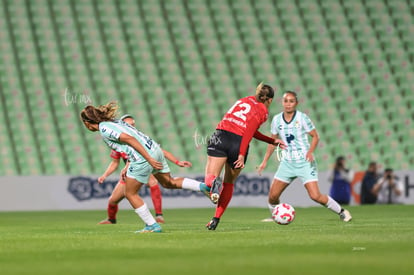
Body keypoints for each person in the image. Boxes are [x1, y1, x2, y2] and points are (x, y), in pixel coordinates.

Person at [80, 102, 211, 233]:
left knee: (130, 193)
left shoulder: (104, 128)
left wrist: (148, 158)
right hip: (155, 148)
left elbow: (129, 139)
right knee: (168, 182)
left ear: (86, 122)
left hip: (143, 157)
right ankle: (203, 187)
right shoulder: (114, 122)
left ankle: (152, 225)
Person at [257, 91, 352, 223]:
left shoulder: (302, 118)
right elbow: (273, 142)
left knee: (315, 196)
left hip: (305, 162)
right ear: (282, 102)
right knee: (273, 196)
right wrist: (264, 161)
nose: (288, 104)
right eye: (286, 101)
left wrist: (310, 151)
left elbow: (315, 136)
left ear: (296, 103)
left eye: (291, 101)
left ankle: (342, 212)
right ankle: (276, 216)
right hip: (287, 163)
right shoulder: (277, 119)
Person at [203, 83, 286, 230]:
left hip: (221, 135)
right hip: (238, 142)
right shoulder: (263, 110)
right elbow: (248, 131)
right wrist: (241, 154)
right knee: (228, 183)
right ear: (270, 100)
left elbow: (250, 130)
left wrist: (272, 140)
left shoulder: (243, 100)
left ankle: (214, 184)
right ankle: (216, 218)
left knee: (210, 179)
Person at [97, 114, 192, 225]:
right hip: (129, 173)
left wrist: (176, 162)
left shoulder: (139, 139)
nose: (132, 126)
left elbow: (159, 151)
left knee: (152, 182)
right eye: (129, 124)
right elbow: (114, 163)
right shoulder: (118, 142)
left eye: (133, 124)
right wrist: (105, 175)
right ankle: (111, 219)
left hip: (143, 165)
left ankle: (158, 216)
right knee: (113, 200)